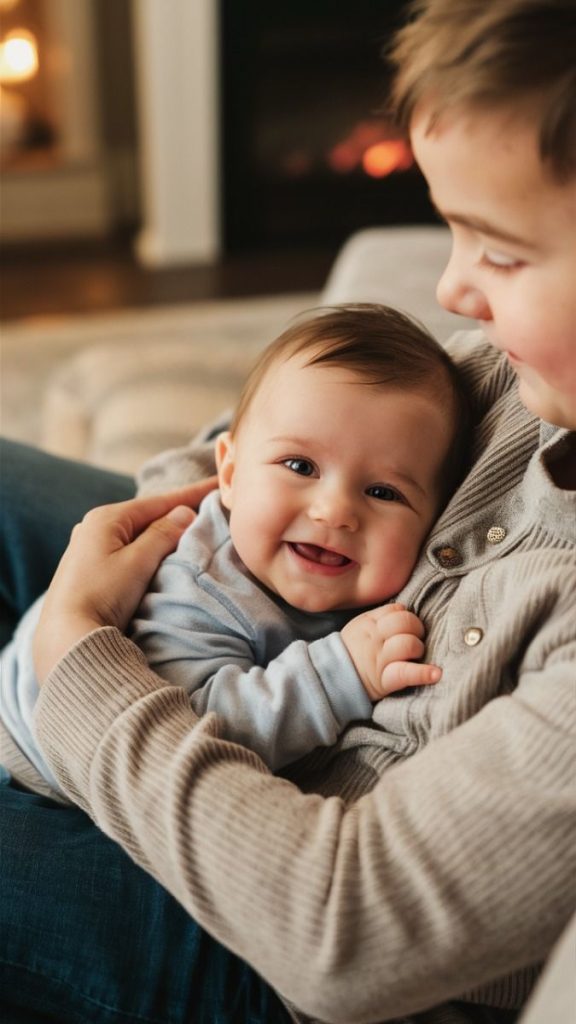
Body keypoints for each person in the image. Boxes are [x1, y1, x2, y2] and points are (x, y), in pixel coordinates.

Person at [1, 1, 575, 1022]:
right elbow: (269, 421)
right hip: (225, 665)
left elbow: (347, 934)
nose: (452, 288)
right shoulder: (525, 381)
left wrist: (79, 647)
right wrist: (163, 561)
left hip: (271, 927)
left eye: (501, 250)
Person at [2, 304, 467, 793]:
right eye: (300, 466)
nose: (334, 512)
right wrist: (338, 676)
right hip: (34, 750)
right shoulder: (204, 587)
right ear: (229, 474)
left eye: (383, 492)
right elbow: (188, 735)